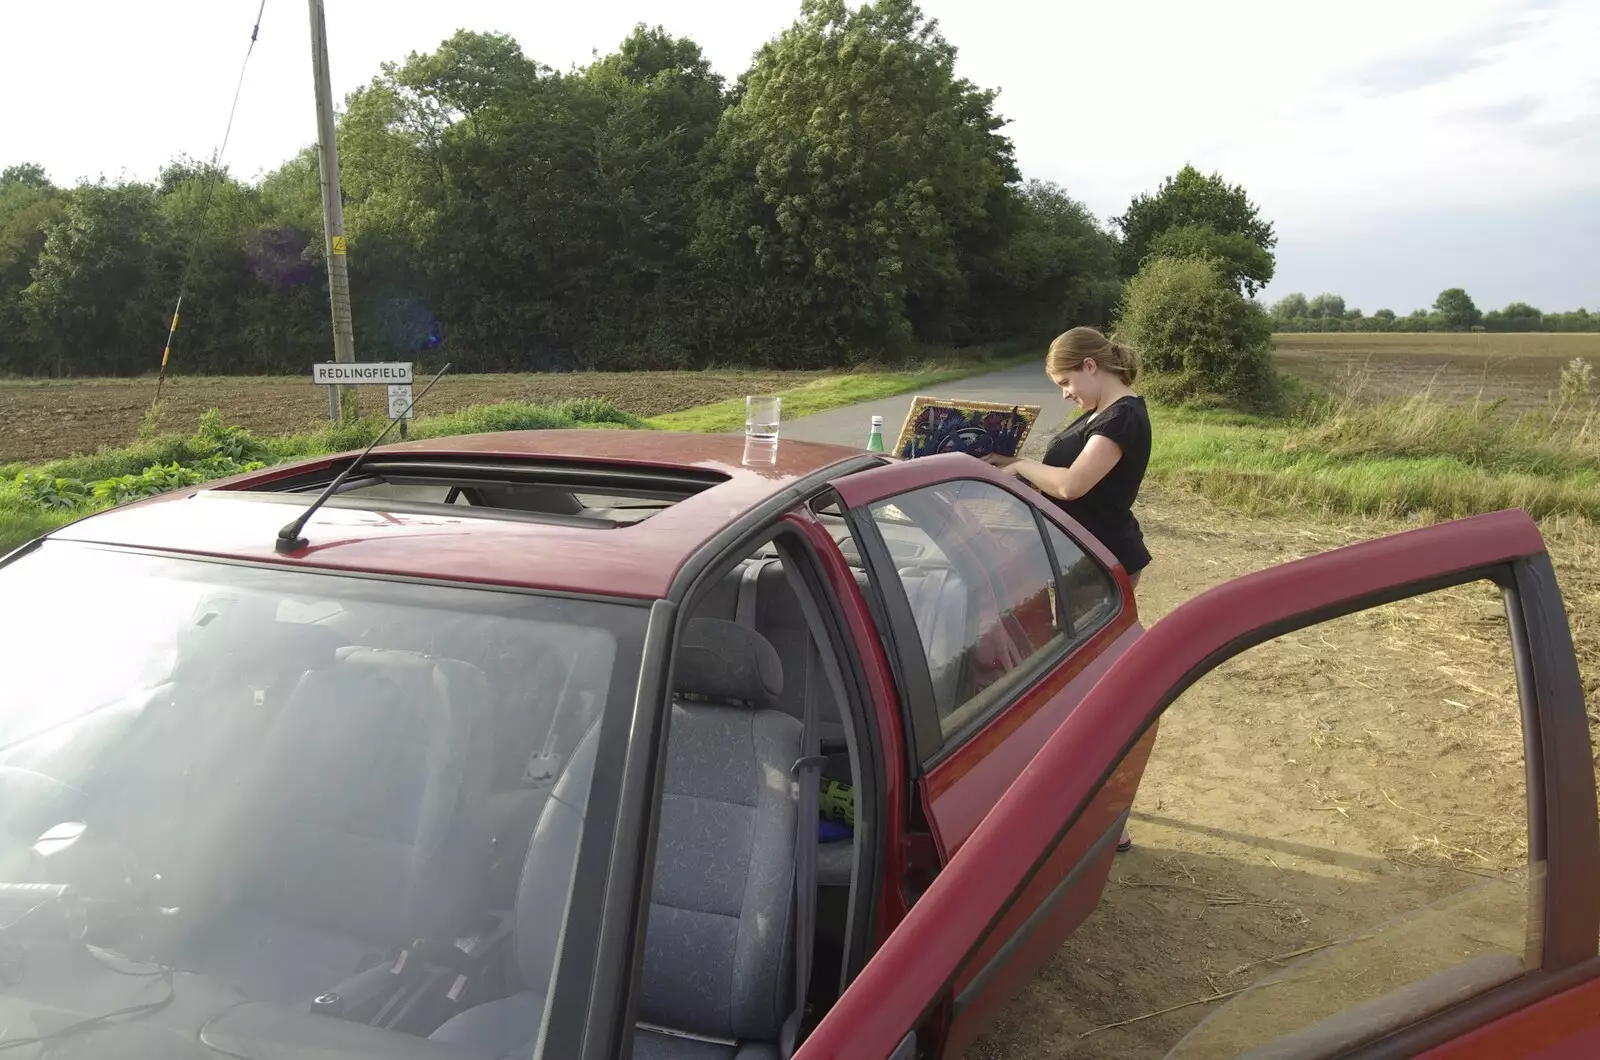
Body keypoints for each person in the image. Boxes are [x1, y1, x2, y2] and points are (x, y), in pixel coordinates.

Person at [983, 325, 1151, 851]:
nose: (1064, 393)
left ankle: (1106, 819)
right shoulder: (1104, 413)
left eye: (1064, 382)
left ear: (1091, 366)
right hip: (1081, 559)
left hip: (1099, 564)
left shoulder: (1123, 416)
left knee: (1090, 694)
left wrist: (1014, 466)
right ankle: (1091, 809)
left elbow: (1072, 485)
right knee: (1080, 688)